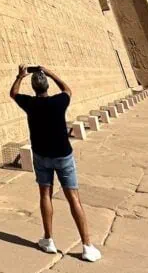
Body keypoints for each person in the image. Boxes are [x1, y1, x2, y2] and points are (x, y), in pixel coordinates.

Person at [10, 64, 102, 262]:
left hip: (41, 155)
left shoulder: (30, 104)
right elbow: (67, 90)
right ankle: (87, 245)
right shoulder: (59, 102)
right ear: (46, 86)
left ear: (34, 88)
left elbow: (14, 93)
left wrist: (20, 76)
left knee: (45, 195)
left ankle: (48, 239)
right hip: (63, 155)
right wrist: (50, 73)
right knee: (73, 198)